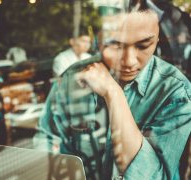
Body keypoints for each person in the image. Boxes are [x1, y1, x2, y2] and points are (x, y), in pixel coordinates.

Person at [37, 1, 191, 179]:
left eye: (143, 46)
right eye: (116, 45)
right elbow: (47, 140)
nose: (129, 61)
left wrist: (113, 93)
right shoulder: (71, 78)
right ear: (98, 41)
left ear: (157, 40)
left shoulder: (176, 93)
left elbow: (153, 177)